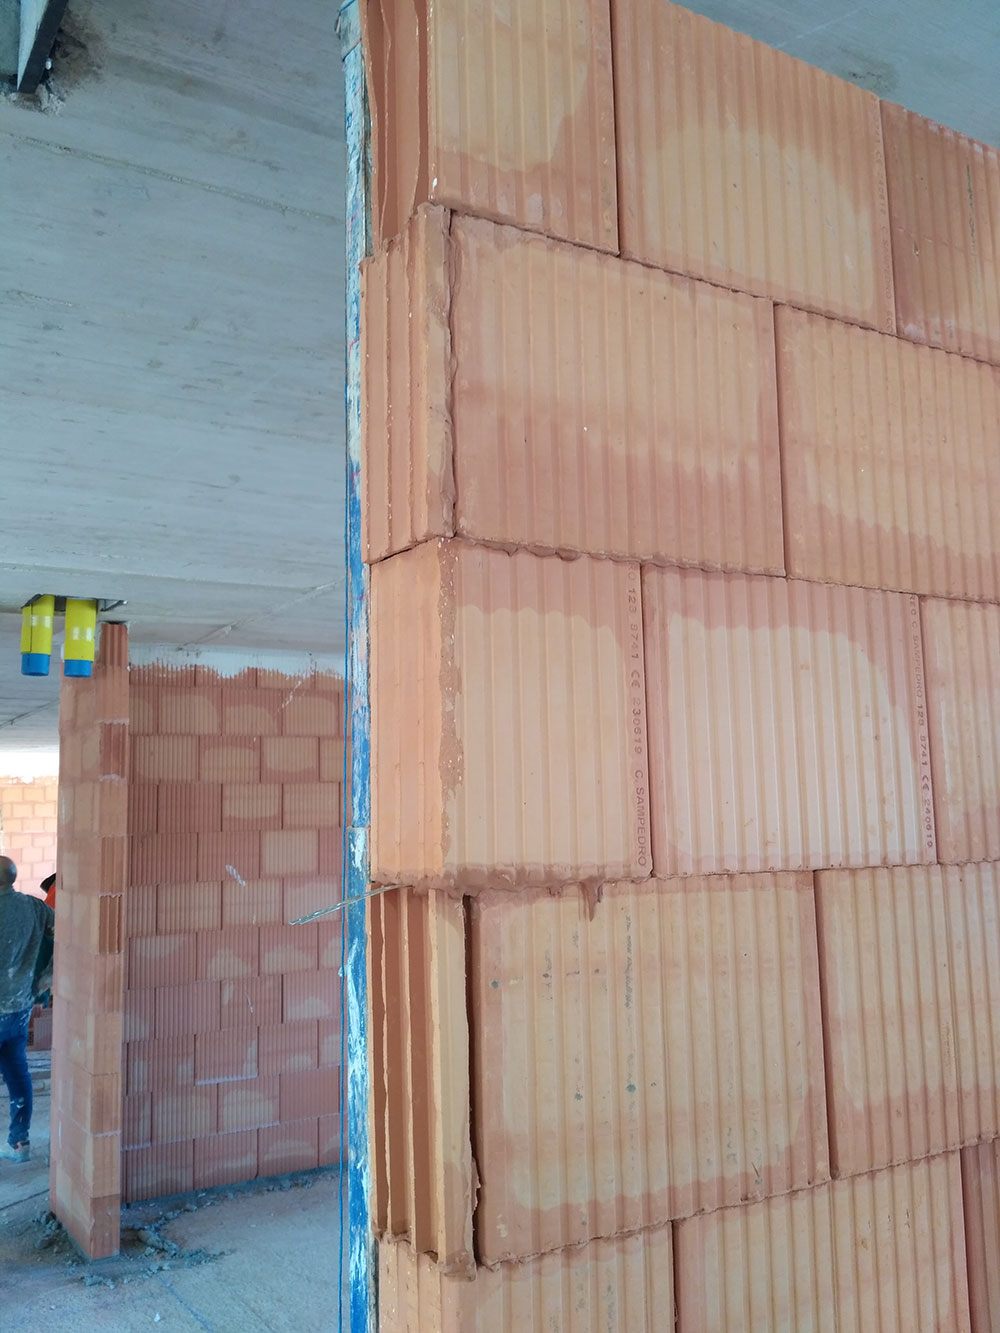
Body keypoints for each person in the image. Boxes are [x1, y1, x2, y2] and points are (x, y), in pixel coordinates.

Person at [0, 856, 54, 1162]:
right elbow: (67, 931)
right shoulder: (34, 907)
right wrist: (47, 977)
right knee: (17, 1072)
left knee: (17, 1071)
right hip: (20, 1006)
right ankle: (20, 1143)